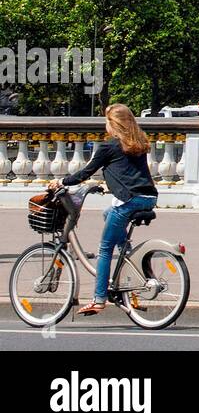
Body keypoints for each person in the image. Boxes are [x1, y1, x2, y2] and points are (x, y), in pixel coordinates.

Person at [47, 103, 158, 317]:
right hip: (148, 198)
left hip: (129, 201)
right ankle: (127, 258)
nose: (105, 125)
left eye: (107, 121)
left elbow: (86, 172)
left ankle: (99, 300)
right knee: (108, 214)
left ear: (113, 124)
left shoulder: (110, 146)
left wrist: (61, 181)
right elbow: (129, 172)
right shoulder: (138, 143)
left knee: (104, 249)